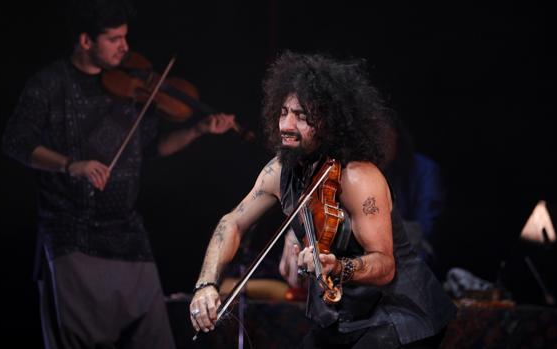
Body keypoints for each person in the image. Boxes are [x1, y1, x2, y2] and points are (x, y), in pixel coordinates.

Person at [2, 0, 236, 348]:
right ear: (85, 41)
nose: (125, 47)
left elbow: (153, 147)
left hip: (127, 232)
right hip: (71, 231)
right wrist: (70, 164)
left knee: (152, 337)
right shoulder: (50, 84)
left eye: (125, 37)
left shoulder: (130, 86)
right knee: (81, 338)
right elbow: (16, 142)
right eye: (114, 39)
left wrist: (197, 129)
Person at [189, 51, 456, 348]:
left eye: (302, 117)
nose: (286, 126)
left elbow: (384, 265)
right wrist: (206, 284)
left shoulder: (358, 178)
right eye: (283, 113)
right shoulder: (280, 170)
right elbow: (233, 223)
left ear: (329, 122)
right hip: (345, 314)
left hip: (400, 313)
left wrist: (337, 266)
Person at [380, 111, 447, 276]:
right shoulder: (367, 171)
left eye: (382, 136)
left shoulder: (424, 170)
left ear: (395, 135)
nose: (378, 145)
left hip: (415, 260)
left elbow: (427, 228)